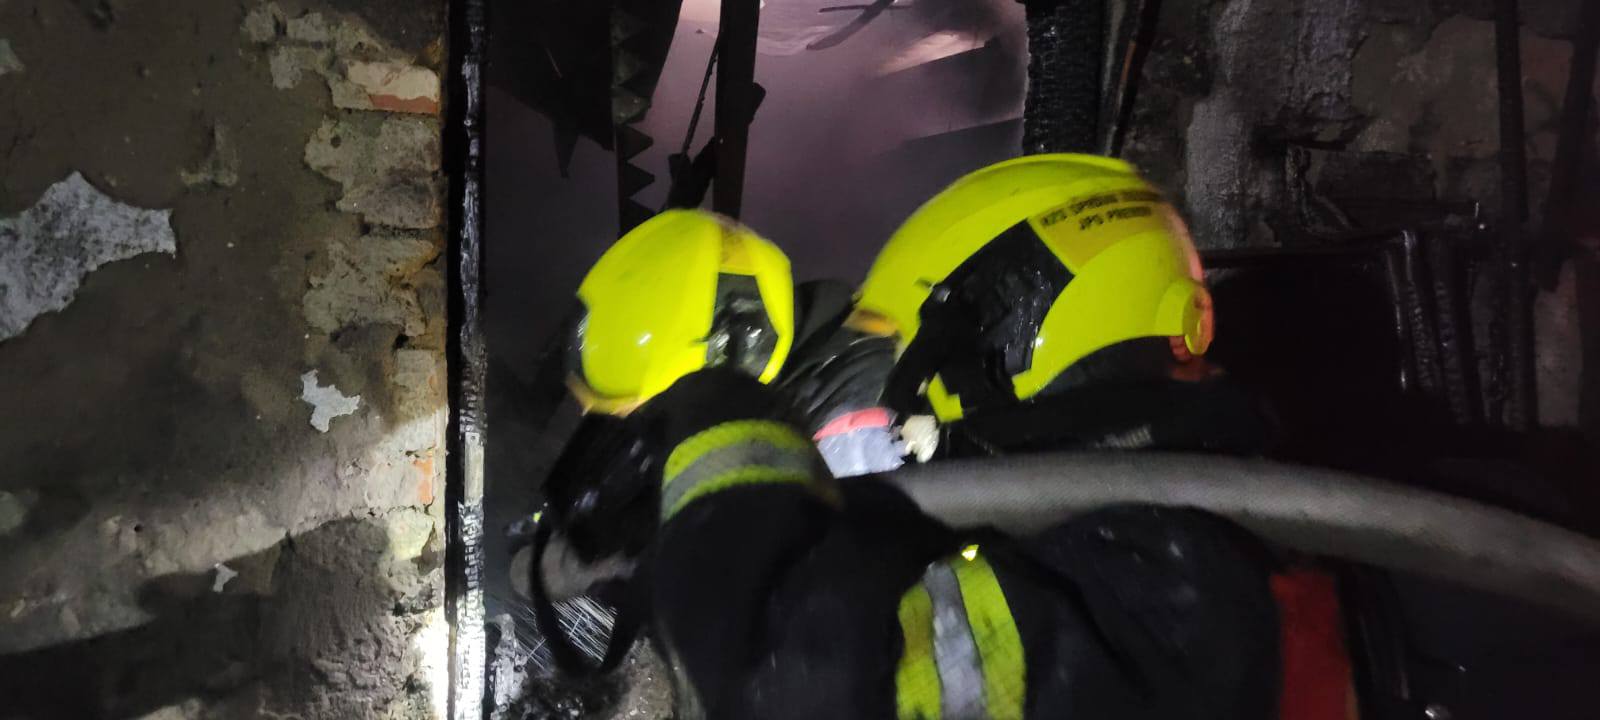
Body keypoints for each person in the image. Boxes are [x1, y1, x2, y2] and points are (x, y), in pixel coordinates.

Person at [549, 155, 1303, 718]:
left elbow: (795, 684)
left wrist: (717, 426)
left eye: (922, 348)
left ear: (1015, 328)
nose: (905, 394)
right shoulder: (1127, 546)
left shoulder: (1165, 595)